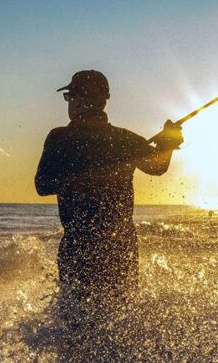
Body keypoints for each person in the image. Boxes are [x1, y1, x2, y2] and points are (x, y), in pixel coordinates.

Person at [35, 70, 183, 309]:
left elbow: (42, 185)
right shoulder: (125, 140)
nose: (69, 104)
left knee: (76, 321)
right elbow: (158, 167)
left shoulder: (60, 138)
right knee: (121, 316)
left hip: (78, 246)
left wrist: (167, 142)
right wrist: (168, 142)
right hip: (120, 247)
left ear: (82, 100)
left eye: (70, 97)